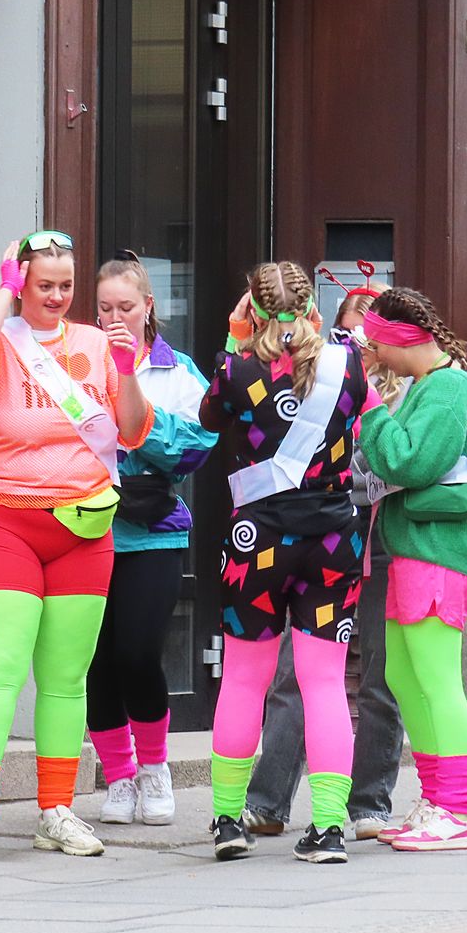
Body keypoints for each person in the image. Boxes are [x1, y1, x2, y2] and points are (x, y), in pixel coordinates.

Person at [0, 231, 154, 861]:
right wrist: (4, 291)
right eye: (42, 285)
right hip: (1, 519)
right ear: (22, 283)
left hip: (82, 529)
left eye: (65, 286)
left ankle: (56, 811)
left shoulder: (96, 343)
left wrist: (126, 370)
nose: (56, 297)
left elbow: (133, 432)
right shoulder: (0, 340)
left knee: (64, 680)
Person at [199, 261, 371, 864]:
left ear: (251, 309)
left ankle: (228, 820)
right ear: (311, 306)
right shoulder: (349, 365)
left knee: (244, 679)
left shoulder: (237, 368)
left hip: (258, 540)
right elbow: (370, 413)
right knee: (325, 683)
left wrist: (233, 340)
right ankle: (328, 829)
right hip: (333, 538)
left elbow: (210, 419)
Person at [242, 287, 407, 842]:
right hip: (325, 531)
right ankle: (268, 802)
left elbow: (404, 458)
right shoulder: (316, 375)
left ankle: (369, 804)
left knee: (380, 674)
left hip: (381, 534)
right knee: (297, 673)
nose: (362, 342)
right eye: (350, 331)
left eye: (373, 332)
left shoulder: (408, 386)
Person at [354, 286, 467, 852]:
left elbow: (408, 462)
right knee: (405, 677)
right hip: (419, 544)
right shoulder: (430, 384)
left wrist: (369, 405)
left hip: (439, 548)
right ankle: (437, 801)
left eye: (374, 344)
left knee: (435, 679)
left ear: (398, 340)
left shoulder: (449, 388)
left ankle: (456, 810)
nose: (371, 354)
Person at [86, 252, 217, 827]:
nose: (115, 318)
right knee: (96, 660)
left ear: (148, 307)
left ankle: (155, 769)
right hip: (87, 527)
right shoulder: (76, 361)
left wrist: (131, 395)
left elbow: (192, 449)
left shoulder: (176, 370)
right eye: (104, 308)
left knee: (138, 653)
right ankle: (118, 777)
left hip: (153, 529)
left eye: (125, 307)